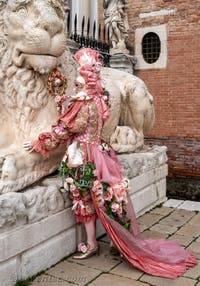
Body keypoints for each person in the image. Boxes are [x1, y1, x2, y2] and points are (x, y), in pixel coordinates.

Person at [23, 48, 196, 278]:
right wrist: (62, 100)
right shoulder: (99, 99)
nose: (76, 78)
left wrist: (39, 142)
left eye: (79, 73)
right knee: (111, 199)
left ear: (84, 77)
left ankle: (92, 244)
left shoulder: (82, 103)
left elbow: (64, 130)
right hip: (102, 153)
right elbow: (84, 118)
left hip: (82, 158)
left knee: (85, 200)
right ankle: (117, 242)